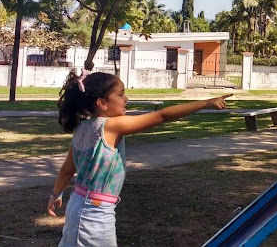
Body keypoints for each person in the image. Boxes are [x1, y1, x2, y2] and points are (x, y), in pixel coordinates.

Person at [47, 70, 231, 246]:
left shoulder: (83, 128)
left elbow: (67, 169)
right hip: (94, 212)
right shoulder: (112, 125)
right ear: (102, 103)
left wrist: (56, 194)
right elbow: (162, 116)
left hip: (78, 205)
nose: (126, 99)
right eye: (120, 95)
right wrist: (205, 103)